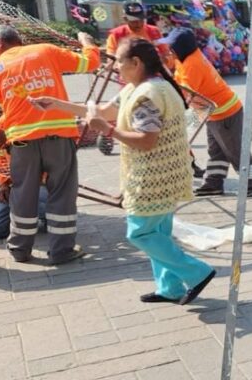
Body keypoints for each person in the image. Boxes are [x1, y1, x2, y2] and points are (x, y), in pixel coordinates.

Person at [33, 39, 216, 304]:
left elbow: (146, 140)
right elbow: (104, 111)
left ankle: (197, 272)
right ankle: (170, 288)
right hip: (166, 174)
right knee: (158, 234)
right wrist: (57, 104)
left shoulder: (146, 95)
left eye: (118, 61)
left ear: (136, 63)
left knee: (140, 233)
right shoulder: (142, 88)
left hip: (153, 178)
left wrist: (106, 130)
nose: (115, 66)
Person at [0, 25, 99, 265]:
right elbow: (88, 64)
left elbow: (6, 104)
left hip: (21, 142)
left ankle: (19, 249)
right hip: (58, 136)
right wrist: (88, 43)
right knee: (62, 193)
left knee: (23, 194)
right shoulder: (46, 50)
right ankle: (62, 251)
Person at [160, 27, 252, 197]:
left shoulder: (192, 65)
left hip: (225, 112)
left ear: (181, 48)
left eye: (171, 48)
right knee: (216, 150)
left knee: (234, 150)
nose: (169, 51)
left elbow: (185, 94)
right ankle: (213, 182)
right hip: (209, 110)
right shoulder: (186, 59)